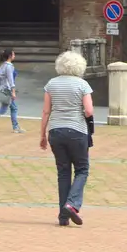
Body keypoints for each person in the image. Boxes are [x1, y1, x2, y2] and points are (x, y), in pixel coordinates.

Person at [39, 50, 94, 227]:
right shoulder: (82, 85)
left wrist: (42, 135)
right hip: (77, 131)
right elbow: (89, 111)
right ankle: (72, 204)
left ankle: (63, 216)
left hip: (55, 131)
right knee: (82, 169)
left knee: (63, 172)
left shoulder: (51, 84)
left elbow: (46, 111)